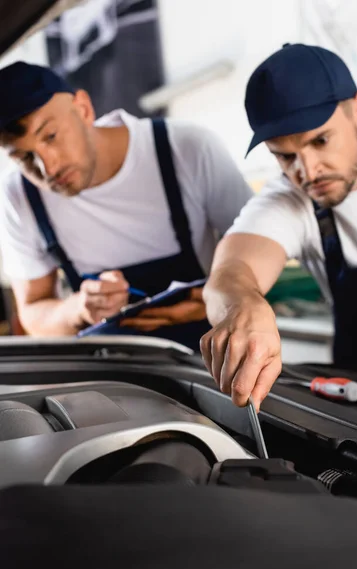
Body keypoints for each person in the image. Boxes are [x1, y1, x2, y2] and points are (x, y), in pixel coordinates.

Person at [200, 42, 357, 409]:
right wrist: (242, 306)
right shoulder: (288, 200)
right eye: (285, 156)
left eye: (320, 141)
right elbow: (230, 274)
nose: (307, 172)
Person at [0, 61, 252, 351]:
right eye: (24, 158)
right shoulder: (18, 196)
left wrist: (219, 302)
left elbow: (263, 255)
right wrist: (78, 310)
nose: (48, 168)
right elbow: (33, 314)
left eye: (51, 136)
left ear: (83, 109)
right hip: (108, 378)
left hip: (208, 362)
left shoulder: (186, 149)